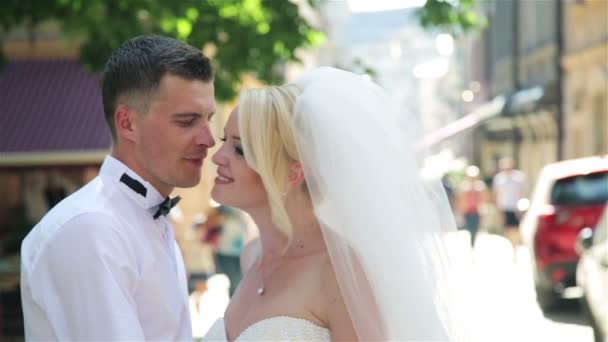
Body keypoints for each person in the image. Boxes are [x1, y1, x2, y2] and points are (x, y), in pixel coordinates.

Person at [203, 67, 470, 341]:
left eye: (240, 149)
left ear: (293, 173)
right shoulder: (251, 256)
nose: (217, 157)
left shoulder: (341, 272)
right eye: (224, 141)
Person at [20, 34, 216, 341]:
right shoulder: (91, 228)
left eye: (208, 119)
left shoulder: (146, 217)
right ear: (127, 124)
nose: (208, 139)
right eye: (187, 121)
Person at [492, 157, 526, 252]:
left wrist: (521, 206)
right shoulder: (499, 178)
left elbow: (521, 193)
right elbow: (497, 195)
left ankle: (515, 247)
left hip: (515, 207)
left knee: (516, 228)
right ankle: (512, 245)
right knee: (507, 229)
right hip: (504, 207)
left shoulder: (519, 177)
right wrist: (498, 210)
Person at [457, 165, 487, 247]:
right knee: (468, 228)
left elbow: (483, 199)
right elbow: (461, 199)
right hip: (467, 211)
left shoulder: (480, 185)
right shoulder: (464, 185)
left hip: (477, 211)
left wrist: (483, 211)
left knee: (475, 229)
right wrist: (461, 211)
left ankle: (473, 243)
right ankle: (469, 243)